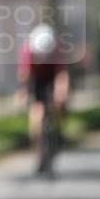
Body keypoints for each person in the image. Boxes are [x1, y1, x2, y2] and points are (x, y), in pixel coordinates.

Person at [17, 24, 69, 174]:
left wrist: (61, 94)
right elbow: (25, 76)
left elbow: (62, 75)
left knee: (60, 101)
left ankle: (59, 129)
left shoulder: (57, 48)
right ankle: (38, 153)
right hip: (37, 80)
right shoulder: (28, 50)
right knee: (36, 119)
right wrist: (23, 94)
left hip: (52, 77)